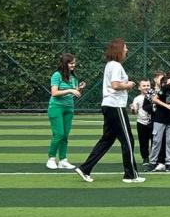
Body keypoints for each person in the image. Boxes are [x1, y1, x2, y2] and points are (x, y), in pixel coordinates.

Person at [75, 39, 144, 183]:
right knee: (127, 140)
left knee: (107, 139)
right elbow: (115, 85)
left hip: (108, 105)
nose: (126, 50)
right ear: (118, 50)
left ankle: (85, 168)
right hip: (115, 106)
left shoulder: (110, 65)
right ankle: (130, 175)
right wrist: (129, 85)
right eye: (125, 48)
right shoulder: (116, 65)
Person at [46, 53, 84, 170]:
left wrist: (79, 89)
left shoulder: (73, 77)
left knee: (65, 135)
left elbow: (75, 93)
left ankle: (63, 160)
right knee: (59, 134)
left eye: (74, 63)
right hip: (56, 107)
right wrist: (70, 90)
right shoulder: (56, 75)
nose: (73, 65)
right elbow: (54, 93)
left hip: (69, 108)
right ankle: (51, 159)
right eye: (71, 63)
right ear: (64, 63)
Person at [130, 79, 152, 166]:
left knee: (155, 141)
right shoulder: (137, 98)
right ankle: (145, 158)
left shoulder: (154, 96)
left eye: (148, 85)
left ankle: (155, 158)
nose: (146, 87)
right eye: (144, 86)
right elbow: (135, 111)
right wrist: (133, 109)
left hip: (153, 122)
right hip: (141, 122)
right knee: (143, 142)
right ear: (139, 88)